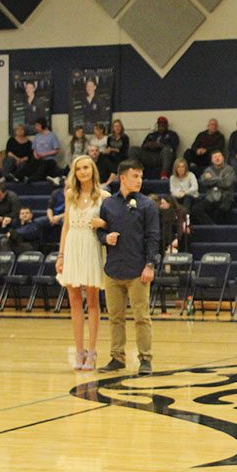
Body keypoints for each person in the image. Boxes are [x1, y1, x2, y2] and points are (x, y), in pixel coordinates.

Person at [96, 159, 160, 375]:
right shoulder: (108, 204)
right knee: (115, 317)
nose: (139, 180)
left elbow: (153, 237)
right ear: (122, 178)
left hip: (137, 270)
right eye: (135, 176)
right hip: (113, 269)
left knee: (142, 317)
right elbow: (100, 231)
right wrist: (106, 238)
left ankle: (145, 359)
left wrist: (150, 264)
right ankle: (117, 357)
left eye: (141, 176)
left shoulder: (147, 205)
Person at [56, 155, 109, 371]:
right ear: (75, 173)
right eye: (79, 169)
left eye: (86, 167)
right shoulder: (70, 195)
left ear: (93, 170)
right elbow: (65, 226)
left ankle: (93, 350)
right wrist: (60, 256)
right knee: (74, 300)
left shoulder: (104, 196)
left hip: (91, 245)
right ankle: (79, 350)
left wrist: (103, 222)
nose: (83, 172)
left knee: (93, 300)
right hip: (73, 245)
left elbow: (113, 223)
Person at [190, 150, 235, 225]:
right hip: (211, 198)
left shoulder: (229, 169)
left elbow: (227, 184)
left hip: (225, 198)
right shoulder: (208, 170)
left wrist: (212, 179)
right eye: (215, 157)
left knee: (221, 210)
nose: (217, 159)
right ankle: (212, 226)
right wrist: (219, 179)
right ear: (211, 160)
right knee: (196, 209)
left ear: (223, 158)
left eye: (219, 156)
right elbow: (204, 181)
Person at [15, 118, 60, 183]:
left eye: (37, 125)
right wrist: (35, 154)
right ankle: (17, 177)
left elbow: (57, 150)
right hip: (38, 158)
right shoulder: (37, 136)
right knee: (30, 166)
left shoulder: (52, 136)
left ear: (42, 125)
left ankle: (31, 179)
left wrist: (44, 154)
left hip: (49, 160)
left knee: (43, 167)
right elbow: (34, 148)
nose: (36, 127)